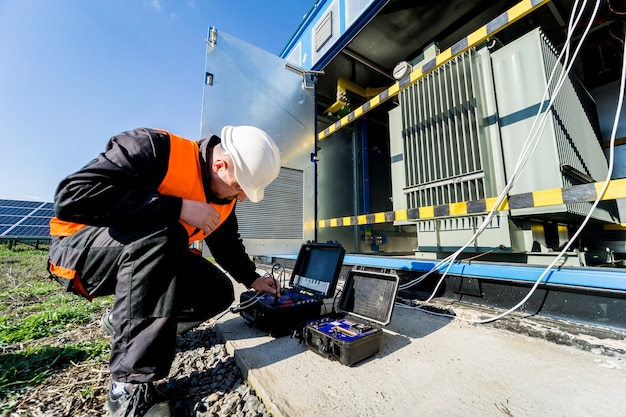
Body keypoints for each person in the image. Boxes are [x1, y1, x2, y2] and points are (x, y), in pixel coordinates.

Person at [47, 126, 282, 417]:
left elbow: (226, 244)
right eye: (239, 188)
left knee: (217, 292)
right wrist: (176, 207)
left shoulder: (224, 197)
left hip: (143, 252)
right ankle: (128, 385)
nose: (242, 198)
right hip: (79, 251)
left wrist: (252, 278)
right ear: (219, 164)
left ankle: (124, 324)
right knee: (165, 233)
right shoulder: (153, 147)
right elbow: (74, 197)